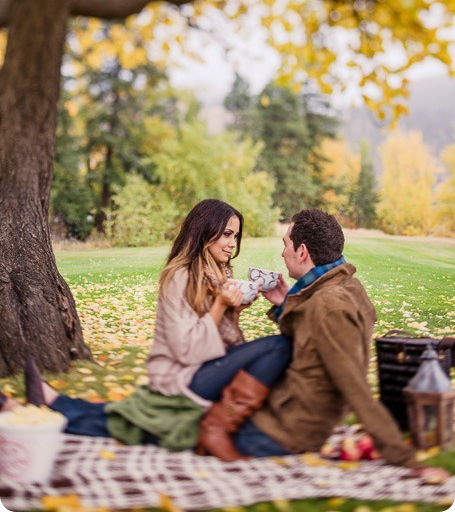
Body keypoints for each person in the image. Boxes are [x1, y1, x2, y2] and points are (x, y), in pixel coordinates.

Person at [0, 199, 292, 462]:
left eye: (236, 235)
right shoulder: (180, 277)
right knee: (277, 346)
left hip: (205, 368)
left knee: (134, 423)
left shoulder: (218, 274)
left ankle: (50, 403)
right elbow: (186, 349)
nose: (232, 243)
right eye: (226, 234)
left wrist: (232, 310)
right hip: (184, 374)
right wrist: (220, 308)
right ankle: (45, 406)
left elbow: (217, 335)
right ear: (204, 232)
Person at [227, 208, 449, 482]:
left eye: (286, 244)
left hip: (279, 432)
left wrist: (405, 459)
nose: (283, 252)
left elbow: (355, 387)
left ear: (302, 252)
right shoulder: (344, 286)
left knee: (190, 424)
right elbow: (311, 341)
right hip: (284, 418)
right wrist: (286, 303)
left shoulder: (329, 306)